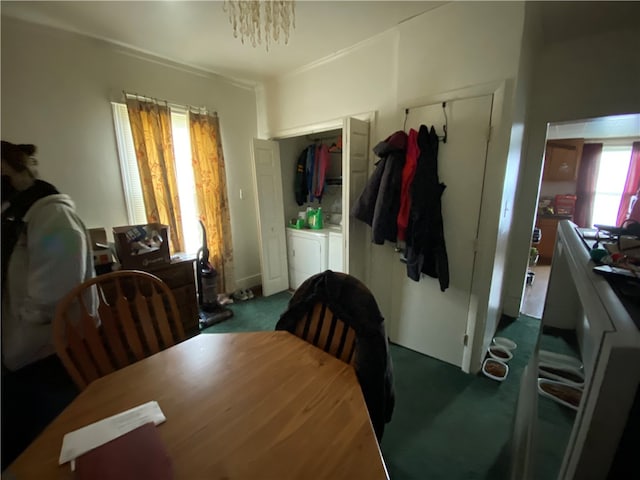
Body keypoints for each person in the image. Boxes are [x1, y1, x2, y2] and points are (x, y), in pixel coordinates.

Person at [1, 140, 95, 469]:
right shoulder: (15, 217)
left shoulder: (51, 216)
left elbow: (53, 293)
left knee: (55, 442)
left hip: (46, 353)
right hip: (19, 354)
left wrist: (21, 317)